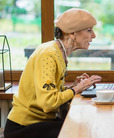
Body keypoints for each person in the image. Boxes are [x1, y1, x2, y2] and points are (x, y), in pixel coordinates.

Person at [4, 8, 102, 138]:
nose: (93, 35)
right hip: (23, 127)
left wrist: (73, 87)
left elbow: (50, 92)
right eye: (89, 30)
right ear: (72, 33)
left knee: (85, 126)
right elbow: (48, 103)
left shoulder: (58, 51)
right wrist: (77, 89)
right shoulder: (48, 54)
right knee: (82, 132)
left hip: (41, 122)